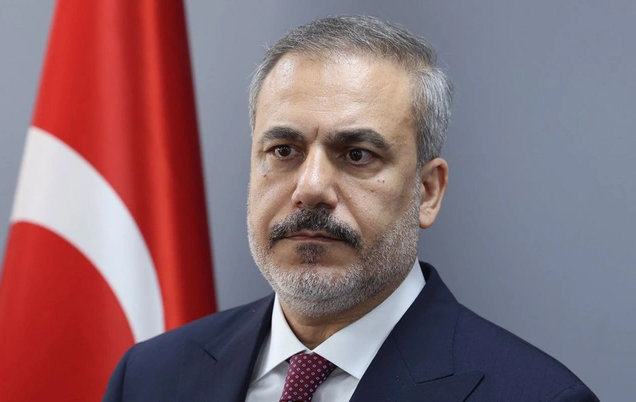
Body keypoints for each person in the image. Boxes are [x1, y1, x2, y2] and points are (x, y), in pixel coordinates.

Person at [103, 16, 598, 401]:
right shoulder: (148, 378)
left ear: (427, 192)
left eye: (357, 154)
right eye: (284, 150)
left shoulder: (539, 397)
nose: (311, 187)